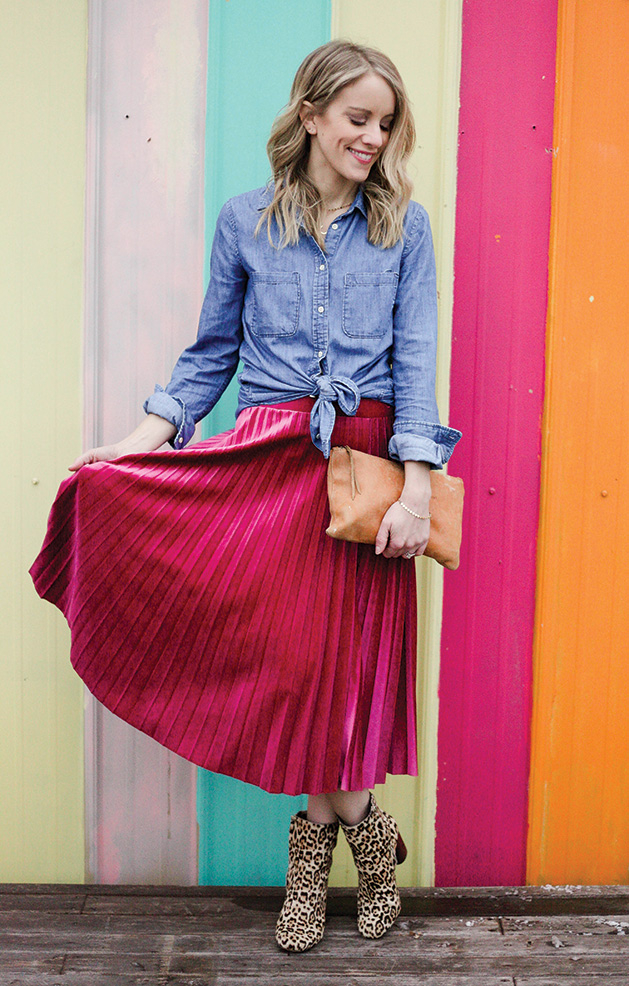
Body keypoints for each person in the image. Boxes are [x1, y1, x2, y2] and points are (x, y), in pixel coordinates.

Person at [30, 40, 461, 952]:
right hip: (264, 463)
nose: (372, 139)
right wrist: (139, 442)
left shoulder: (402, 227)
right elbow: (208, 357)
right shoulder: (243, 221)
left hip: (363, 471)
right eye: (355, 120)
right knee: (297, 670)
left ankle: (312, 868)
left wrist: (415, 491)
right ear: (308, 115)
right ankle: (370, 841)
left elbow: (417, 364)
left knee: (337, 676)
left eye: (385, 125)